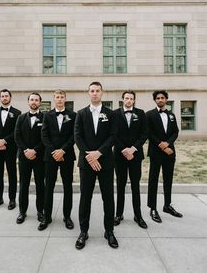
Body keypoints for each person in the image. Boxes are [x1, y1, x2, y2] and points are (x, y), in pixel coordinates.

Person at [74, 82, 118, 250]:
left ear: (102, 93)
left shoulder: (110, 114)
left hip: (105, 162)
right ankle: (83, 231)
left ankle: (109, 231)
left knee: (108, 198)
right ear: (88, 93)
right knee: (85, 198)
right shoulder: (81, 114)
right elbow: (78, 137)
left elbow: (113, 136)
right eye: (92, 91)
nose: (94, 93)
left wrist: (98, 153)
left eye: (97, 91)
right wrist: (90, 156)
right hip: (86, 163)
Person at [38, 90, 76, 231]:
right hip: (51, 156)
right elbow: (44, 135)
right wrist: (54, 151)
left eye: (62, 97)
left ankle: (67, 217)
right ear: (54, 99)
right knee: (49, 187)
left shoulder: (73, 115)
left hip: (67, 155)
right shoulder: (47, 116)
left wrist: (63, 150)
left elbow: (74, 136)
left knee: (68, 187)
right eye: (57, 97)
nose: (59, 99)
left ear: (65, 98)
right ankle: (47, 217)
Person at [146, 90, 183, 223]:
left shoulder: (171, 115)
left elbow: (175, 132)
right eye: (158, 98)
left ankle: (167, 205)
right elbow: (148, 132)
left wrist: (168, 144)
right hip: (156, 152)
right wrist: (161, 145)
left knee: (168, 179)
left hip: (169, 153)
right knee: (153, 180)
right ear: (155, 100)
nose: (160, 100)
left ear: (166, 100)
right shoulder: (149, 115)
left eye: (162, 98)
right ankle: (153, 208)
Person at [113, 90, 148, 229]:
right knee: (120, 185)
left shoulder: (140, 113)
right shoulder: (115, 114)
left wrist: (133, 149)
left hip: (135, 155)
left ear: (134, 100)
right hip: (119, 156)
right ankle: (118, 214)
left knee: (135, 186)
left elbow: (144, 133)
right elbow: (113, 134)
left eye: (131, 98)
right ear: (122, 99)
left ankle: (138, 215)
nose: (128, 100)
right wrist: (123, 150)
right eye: (126, 98)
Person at [0, 89, 21, 210]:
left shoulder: (17, 113)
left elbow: (16, 131)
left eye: (6, 96)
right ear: (0, 98)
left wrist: (4, 141)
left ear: (10, 97)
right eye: (2, 96)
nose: (4, 98)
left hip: (10, 148)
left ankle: (12, 200)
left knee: (12, 174)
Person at [14, 92, 45, 224]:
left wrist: (35, 150)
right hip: (24, 156)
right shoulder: (21, 118)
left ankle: (40, 211)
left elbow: (45, 137)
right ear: (28, 102)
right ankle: (22, 211)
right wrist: (26, 150)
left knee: (40, 185)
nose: (34, 102)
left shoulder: (45, 118)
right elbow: (17, 136)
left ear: (40, 102)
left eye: (36, 100)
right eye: (32, 100)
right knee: (23, 185)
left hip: (39, 157)